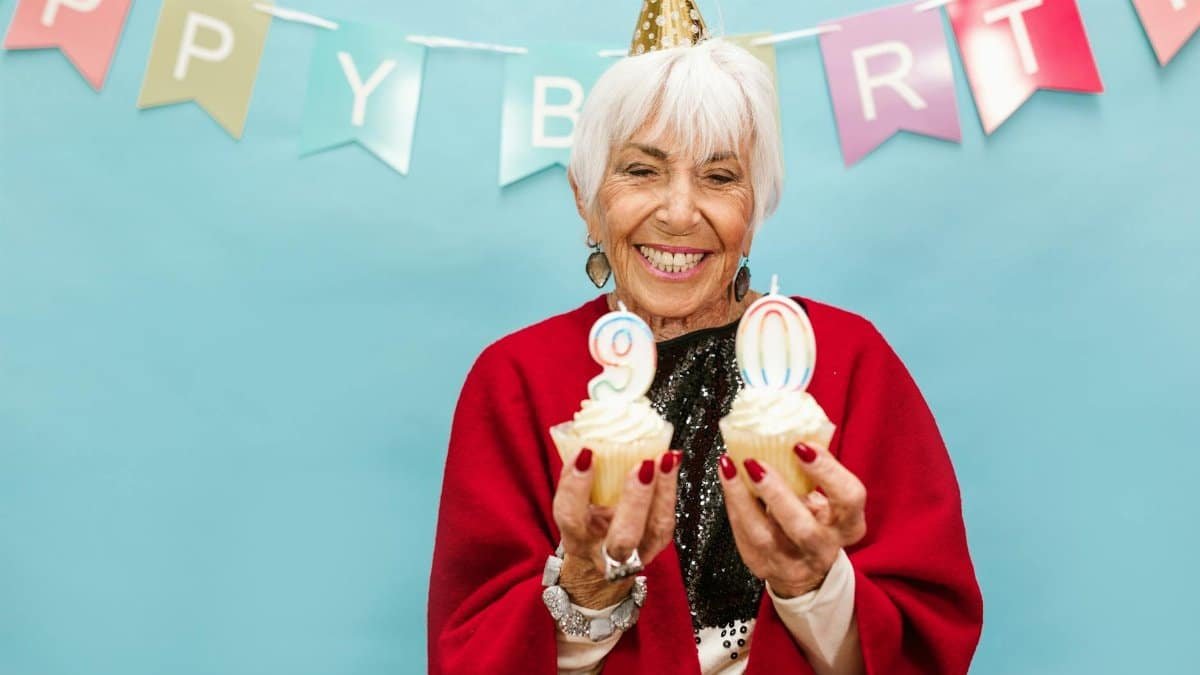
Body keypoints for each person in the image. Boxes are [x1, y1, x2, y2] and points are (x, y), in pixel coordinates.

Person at [427, 5, 983, 673]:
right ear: (586, 197)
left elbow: (932, 643)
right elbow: (467, 651)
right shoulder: (514, 377)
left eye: (720, 177)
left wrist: (814, 585)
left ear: (757, 208)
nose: (680, 211)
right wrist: (585, 589)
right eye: (641, 170)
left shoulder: (851, 358)